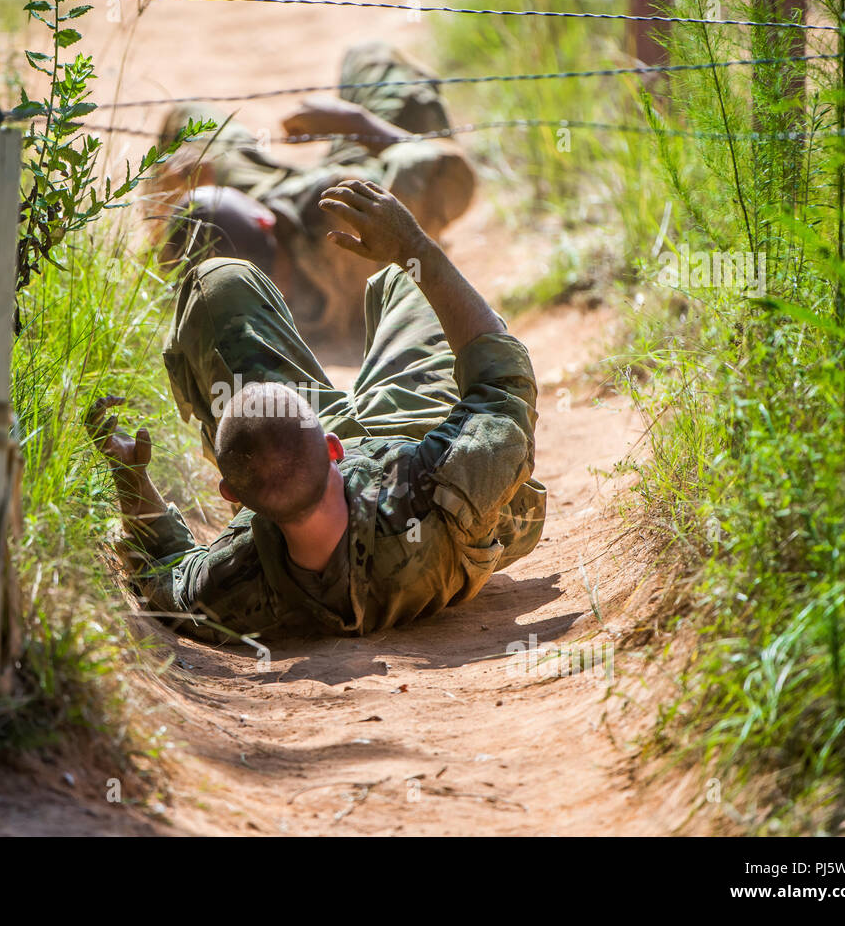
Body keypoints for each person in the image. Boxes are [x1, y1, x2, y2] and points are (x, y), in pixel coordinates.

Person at [88, 179, 546, 644]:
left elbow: (169, 573)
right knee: (407, 280)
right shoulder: (443, 492)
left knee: (216, 284)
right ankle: (401, 274)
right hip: (422, 450)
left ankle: (272, 471)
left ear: (234, 494)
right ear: (332, 446)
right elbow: (503, 382)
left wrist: (131, 478)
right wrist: (415, 246)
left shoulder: (238, 582)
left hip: (313, 489)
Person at [152, 41, 476, 339]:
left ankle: (184, 209)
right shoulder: (347, 223)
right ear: (264, 220)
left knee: (190, 122)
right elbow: (451, 172)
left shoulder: (231, 310)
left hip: (281, 229)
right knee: (371, 57)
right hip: (325, 203)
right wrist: (352, 123)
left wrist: (172, 205)